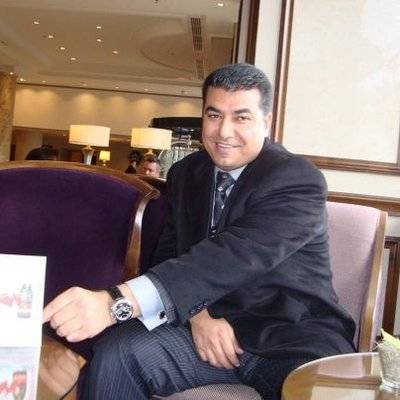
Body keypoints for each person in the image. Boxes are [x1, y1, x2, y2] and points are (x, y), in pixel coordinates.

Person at [43, 63, 356, 400]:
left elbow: (234, 255)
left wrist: (115, 302)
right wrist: (198, 315)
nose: (224, 132)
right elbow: (168, 257)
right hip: (204, 329)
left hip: (288, 337)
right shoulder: (186, 173)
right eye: (214, 115)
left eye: (241, 117)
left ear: (266, 121)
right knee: (117, 353)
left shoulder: (296, 178)